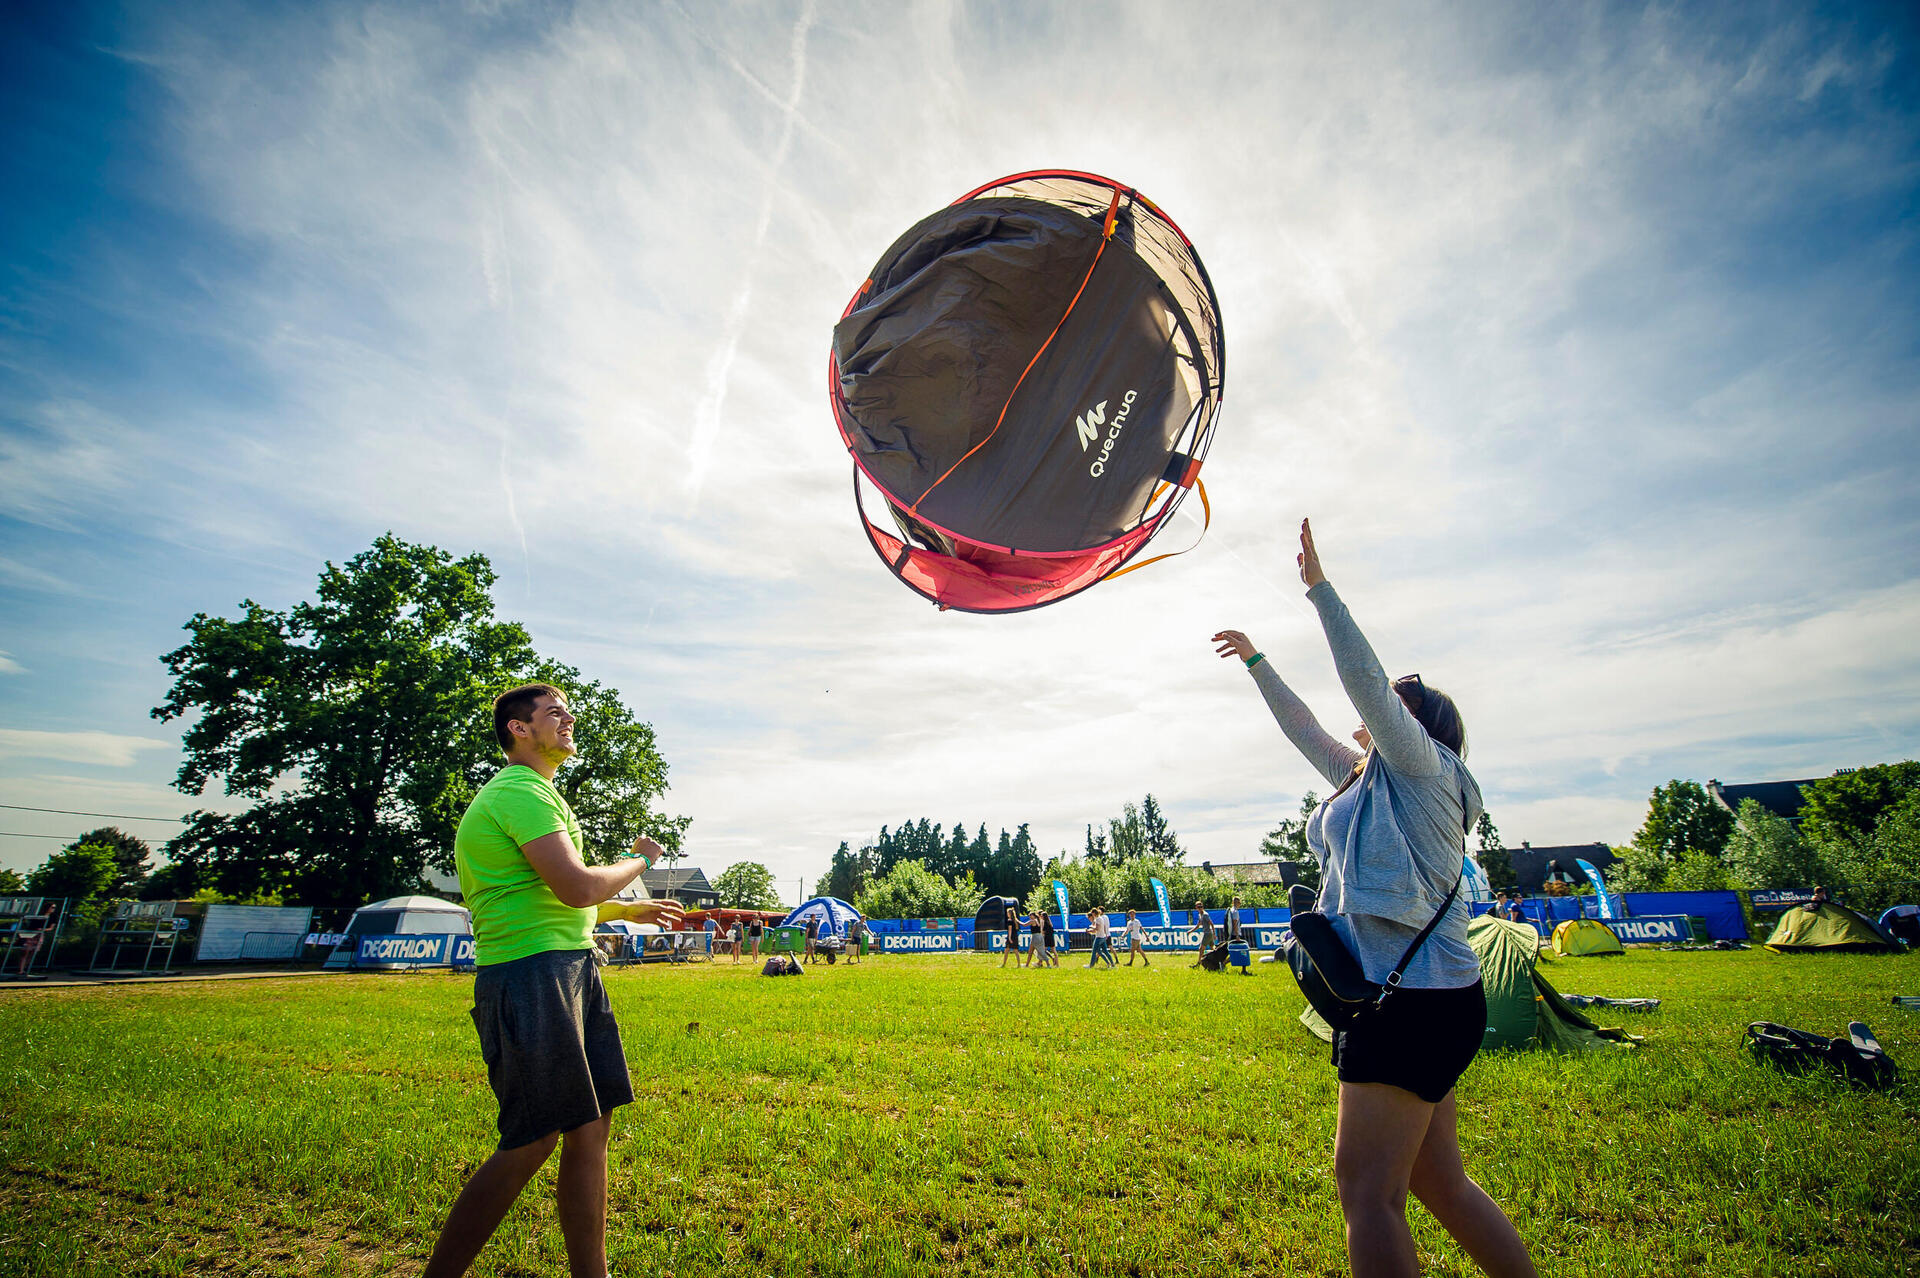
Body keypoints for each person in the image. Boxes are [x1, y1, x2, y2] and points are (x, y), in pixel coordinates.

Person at [1213, 518, 1537, 1278]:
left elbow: (1364, 680)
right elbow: (1305, 730)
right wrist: (1258, 661)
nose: (1377, 707)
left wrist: (1319, 591)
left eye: (1395, 703)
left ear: (1416, 726)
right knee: (1436, 1182)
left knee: (1366, 1192)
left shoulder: (1423, 771)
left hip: (1409, 1004)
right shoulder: (1364, 780)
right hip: (1427, 997)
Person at [425, 683, 685, 1278]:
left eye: (568, 712)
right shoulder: (519, 790)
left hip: (569, 965)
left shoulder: (538, 793)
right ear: (518, 729)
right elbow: (576, 886)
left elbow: (551, 898)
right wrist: (639, 859)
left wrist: (623, 912)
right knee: (532, 1140)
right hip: (530, 974)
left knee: (590, 1129)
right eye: (553, 713)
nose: (568, 720)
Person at [1001, 902, 1023, 968]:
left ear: (1009, 914)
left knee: (1007, 950)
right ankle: (1018, 964)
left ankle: (1004, 964)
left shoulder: (1010, 920)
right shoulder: (1015, 920)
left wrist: (1009, 938)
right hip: (1015, 935)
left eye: (1007, 913)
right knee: (1015, 950)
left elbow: (1010, 930)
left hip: (1011, 936)